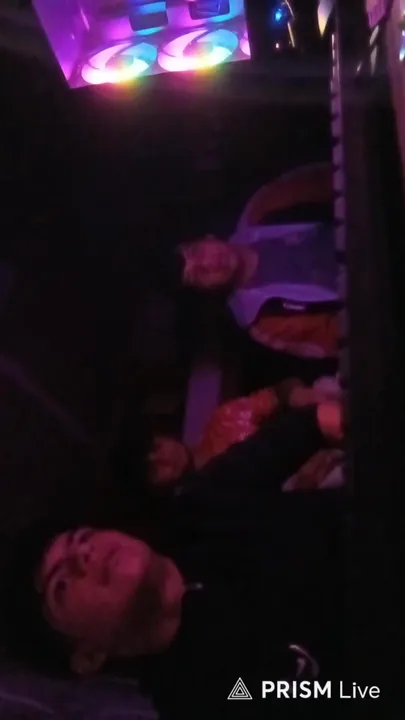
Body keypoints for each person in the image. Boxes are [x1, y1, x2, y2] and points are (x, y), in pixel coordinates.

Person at [4, 401, 345, 719]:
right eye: (61, 585)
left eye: (82, 538)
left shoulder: (203, 506)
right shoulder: (204, 703)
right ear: (87, 657)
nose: (83, 555)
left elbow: (314, 422)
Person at [174, 163, 340, 360]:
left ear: (208, 237)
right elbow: (340, 338)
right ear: (206, 290)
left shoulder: (264, 204)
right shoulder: (264, 324)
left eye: (198, 252)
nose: (210, 264)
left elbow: (334, 177)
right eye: (199, 274)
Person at [147, 377, 343, 491]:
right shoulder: (211, 509)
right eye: (153, 469)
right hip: (326, 486)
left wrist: (295, 394)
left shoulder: (224, 420)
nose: (164, 459)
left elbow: (282, 391)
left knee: (325, 386)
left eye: (157, 447)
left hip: (324, 435)